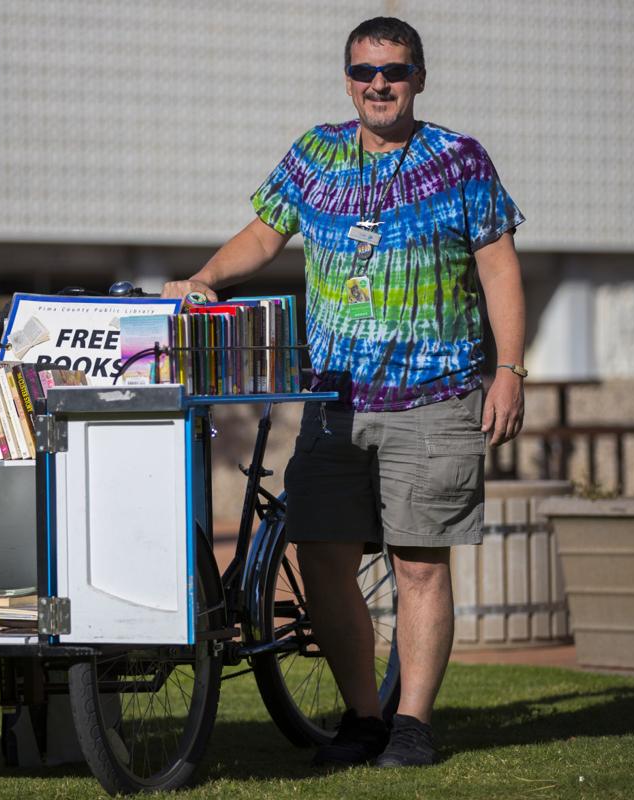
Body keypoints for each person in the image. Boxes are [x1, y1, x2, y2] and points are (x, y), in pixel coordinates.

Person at [162, 17, 526, 768]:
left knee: (420, 563)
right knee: (323, 557)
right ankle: (364, 717)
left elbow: (497, 264)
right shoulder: (316, 154)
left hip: (435, 395)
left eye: (393, 70)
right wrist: (204, 279)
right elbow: (264, 233)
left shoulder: (458, 160)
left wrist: (511, 370)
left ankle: (414, 724)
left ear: (419, 77)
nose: (378, 84)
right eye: (363, 72)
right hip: (331, 401)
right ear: (347, 80)